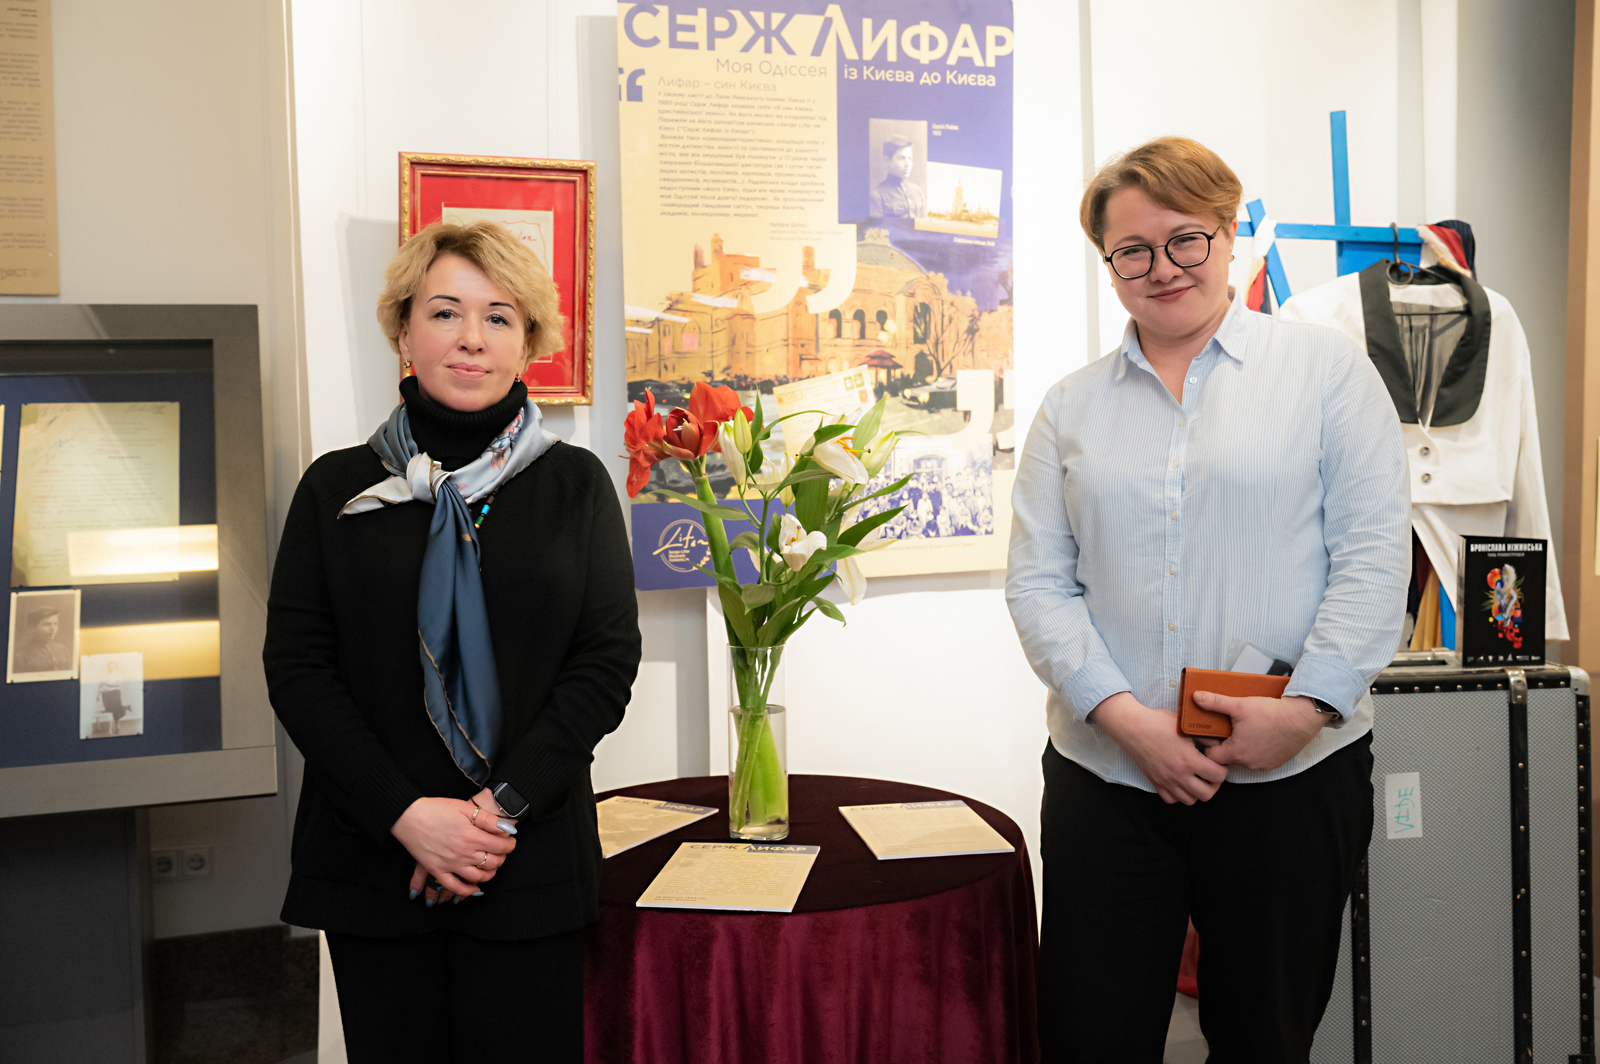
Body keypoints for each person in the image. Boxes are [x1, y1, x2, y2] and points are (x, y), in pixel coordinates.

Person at [1005, 137, 1409, 1061]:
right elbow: (1038, 582)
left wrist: (1305, 710)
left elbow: (1374, 557)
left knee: (1265, 1036)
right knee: (1090, 1035)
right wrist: (1127, 721)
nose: (1163, 268)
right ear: (1108, 263)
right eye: (1132, 251)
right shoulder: (1070, 408)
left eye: (1185, 239)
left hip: (1291, 776)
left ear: (1230, 235)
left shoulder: (1327, 373)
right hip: (1110, 777)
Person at [264, 221, 641, 1063]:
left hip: (527, 858)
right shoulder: (335, 488)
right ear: (404, 334)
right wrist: (407, 815)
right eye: (445, 312)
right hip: (372, 859)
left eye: (499, 317)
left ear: (527, 343)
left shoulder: (575, 486)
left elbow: (605, 664)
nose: (472, 337)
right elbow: (298, 670)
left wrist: (492, 814)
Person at [869, 135, 926, 221]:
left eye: (910, 158)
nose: (907, 164)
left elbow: (924, 223)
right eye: (901, 158)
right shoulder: (877, 195)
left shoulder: (917, 190)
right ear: (887, 160)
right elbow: (878, 227)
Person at [15, 606, 69, 672]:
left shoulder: (63, 650)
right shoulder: (20, 656)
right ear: (32, 627)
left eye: (55, 624)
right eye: (47, 624)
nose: (53, 628)